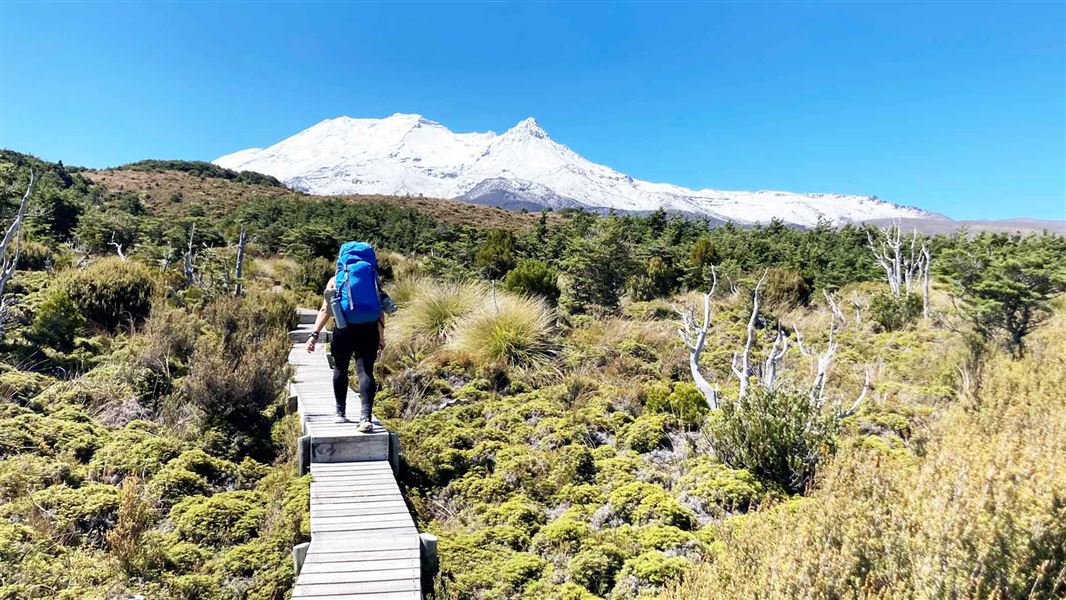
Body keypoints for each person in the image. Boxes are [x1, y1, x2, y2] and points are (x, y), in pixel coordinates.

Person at [306, 272, 386, 432]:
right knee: (365, 372)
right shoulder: (371, 279)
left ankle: (340, 412)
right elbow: (379, 311)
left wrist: (314, 334)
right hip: (369, 330)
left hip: (343, 330)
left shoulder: (335, 280)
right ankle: (365, 417)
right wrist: (381, 336)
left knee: (340, 368)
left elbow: (325, 310)